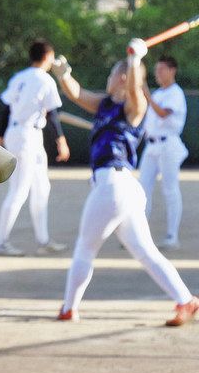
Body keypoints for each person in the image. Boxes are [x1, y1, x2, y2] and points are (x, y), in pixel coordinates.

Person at [51, 42, 198, 327]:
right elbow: (77, 94)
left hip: (114, 183)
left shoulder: (135, 105)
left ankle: (69, 308)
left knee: (85, 247)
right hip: (120, 188)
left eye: (110, 76)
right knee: (144, 251)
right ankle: (186, 299)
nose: (107, 81)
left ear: (119, 77)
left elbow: (134, 91)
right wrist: (63, 75)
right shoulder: (104, 103)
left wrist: (134, 61)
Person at [0, 40, 70, 256]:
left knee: (42, 187)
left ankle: (43, 240)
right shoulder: (45, 80)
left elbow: (5, 108)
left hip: (19, 134)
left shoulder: (20, 77)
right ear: (47, 56)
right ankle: (0, 243)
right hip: (27, 136)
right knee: (19, 190)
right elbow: (52, 114)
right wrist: (61, 140)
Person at [138, 56, 189, 250]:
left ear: (172, 70)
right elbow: (148, 123)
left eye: (161, 70)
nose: (157, 74)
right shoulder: (158, 93)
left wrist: (146, 95)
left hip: (168, 145)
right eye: (156, 70)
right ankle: (139, 236)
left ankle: (172, 236)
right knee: (142, 189)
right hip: (151, 146)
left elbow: (163, 113)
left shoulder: (175, 93)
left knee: (170, 189)